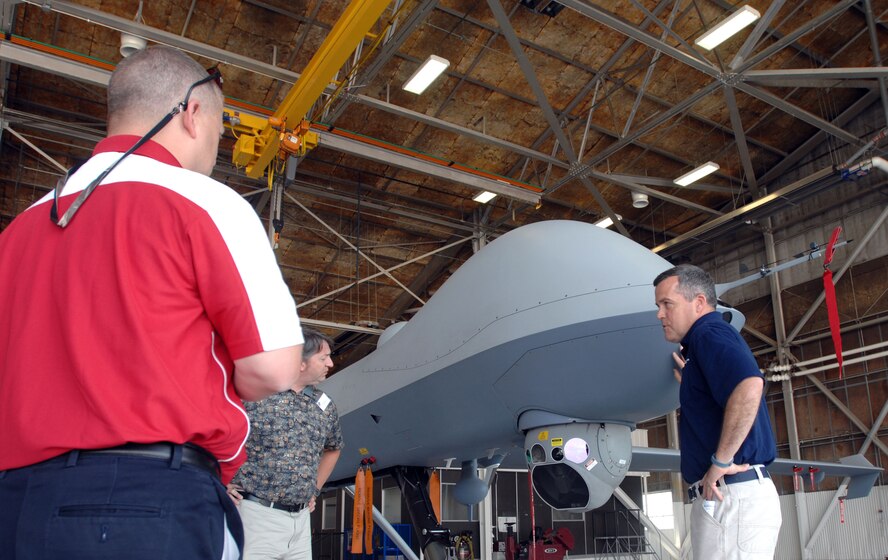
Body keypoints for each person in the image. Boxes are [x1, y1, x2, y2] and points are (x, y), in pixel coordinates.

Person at [0, 46, 303, 559]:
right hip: (142, 502)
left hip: (18, 502)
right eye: (220, 129)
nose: (217, 146)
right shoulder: (205, 201)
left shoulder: (21, 227)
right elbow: (273, 370)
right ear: (192, 113)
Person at [653, 264, 781, 560]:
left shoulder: (708, 332)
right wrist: (696, 380)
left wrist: (720, 461)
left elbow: (749, 387)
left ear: (698, 302)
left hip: (730, 495)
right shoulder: (700, 346)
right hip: (727, 499)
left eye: (667, 304)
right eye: (658, 306)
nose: (660, 314)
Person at [227, 327, 343, 559]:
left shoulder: (324, 405)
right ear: (300, 362)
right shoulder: (252, 394)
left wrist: (315, 489)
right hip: (255, 515)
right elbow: (214, 436)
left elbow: (334, 448)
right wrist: (219, 481)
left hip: (300, 522)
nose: (330, 363)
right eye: (323, 358)